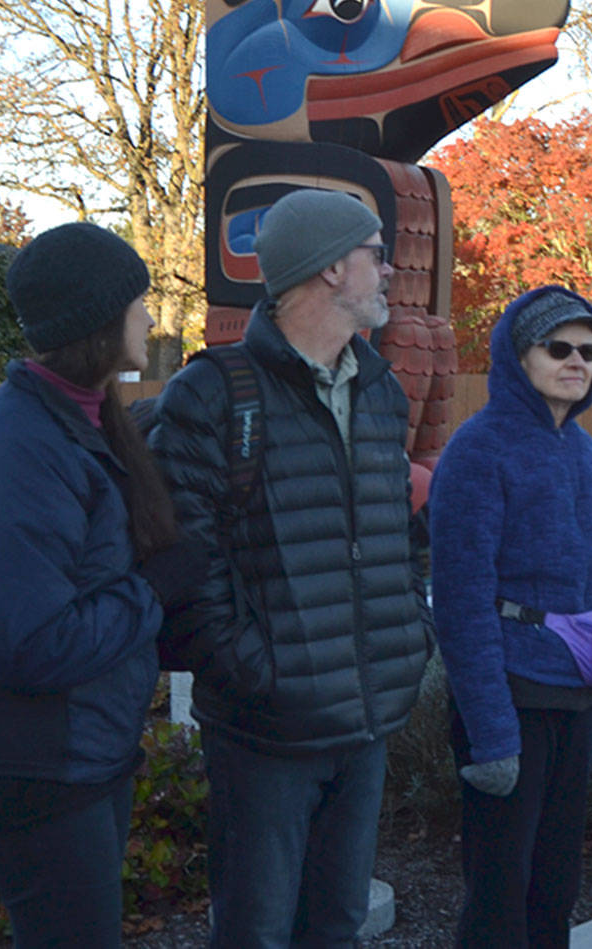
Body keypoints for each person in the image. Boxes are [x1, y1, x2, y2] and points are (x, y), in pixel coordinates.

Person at [151, 189, 433, 947]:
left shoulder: (378, 388)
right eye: (376, 254)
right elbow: (183, 562)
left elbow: (400, 532)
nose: (389, 270)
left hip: (365, 720)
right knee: (256, 933)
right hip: (265, 734)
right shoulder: (213, 393)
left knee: (336, 926)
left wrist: (412, 632)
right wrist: (256, 672)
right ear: (331, 267)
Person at [0, 224, 201, 948]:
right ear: (97, 320)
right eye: (138, 302)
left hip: (78, 756)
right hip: (29, 768)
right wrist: (155, 590)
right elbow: (34, 644)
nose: (149, 316)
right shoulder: (15, 446)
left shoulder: (85, 421)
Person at [428, 287, 592, 948]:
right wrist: (491, 734)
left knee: (556, 887)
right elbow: (461, 600)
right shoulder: (478, 449)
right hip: (513, 698)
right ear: (519, 356)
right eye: (559, 348)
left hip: (578, 696)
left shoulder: (584, 451)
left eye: (589, 351)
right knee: (499, 896)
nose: (577, 361)